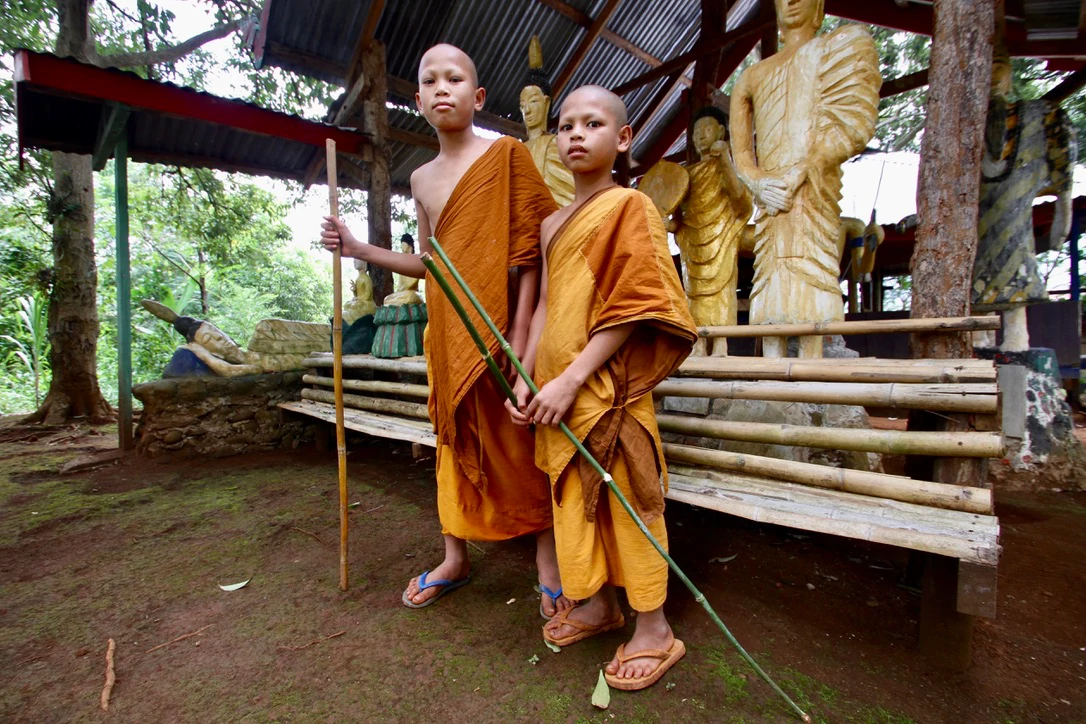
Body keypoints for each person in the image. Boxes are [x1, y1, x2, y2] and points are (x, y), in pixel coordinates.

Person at [321, 44, 570, 619]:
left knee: (518, 442)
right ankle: (454, 556)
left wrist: (525, 343)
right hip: (449, 335)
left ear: (476, 96)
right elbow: (433, 262)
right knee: (452, 442)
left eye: (454, 78)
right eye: (429, 79)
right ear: (419, 101)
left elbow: (535, 255)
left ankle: (548, 564)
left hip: (504, 333)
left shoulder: (507, 157)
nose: (442, 87)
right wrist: (359, 248)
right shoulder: (421, 178)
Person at [507, 85, 698, 690]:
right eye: (566, 126)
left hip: (605, 389)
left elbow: (637, 305)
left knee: (627, 501)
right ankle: (595, 603)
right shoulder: (551, 224)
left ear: (623, 138)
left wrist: (571, 378)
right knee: (571, 504)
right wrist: (524, 375)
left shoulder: (631, 208)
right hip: (554, 392)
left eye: (593, 124)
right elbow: (541, 314)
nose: (575, 135)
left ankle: (654, 626)